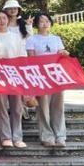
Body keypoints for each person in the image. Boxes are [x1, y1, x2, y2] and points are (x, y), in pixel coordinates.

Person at [0, 10, 27, 148]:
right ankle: (6, 136)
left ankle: (17, 137)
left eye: (4, 18)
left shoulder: (16, 37)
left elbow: (23, 56)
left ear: (8, 20)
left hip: (14, 75)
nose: (1, 21)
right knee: (1, 107)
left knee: (17, 107)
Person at [26, 13, 69, 147]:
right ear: (37, 24)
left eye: (47, 21)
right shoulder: (32, 39)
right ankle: (47, 136)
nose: (45, 24)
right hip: (41, 76)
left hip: (56, 76)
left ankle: (60, 136)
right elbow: (31, 59)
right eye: (41, 21)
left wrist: (64, 53)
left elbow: (61, 54)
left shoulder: (56, 39)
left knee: (58, 106)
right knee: (43, 107)